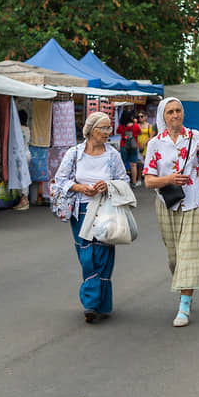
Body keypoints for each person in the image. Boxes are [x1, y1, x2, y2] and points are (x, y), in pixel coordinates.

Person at [142, 98, 199, 327]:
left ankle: (184, 305)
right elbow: (148, 181)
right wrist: (169, 179)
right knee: (175, 257)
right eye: (170, 112)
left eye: (178, 111)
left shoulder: (197, 138)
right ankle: (185, 291)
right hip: (166, 203)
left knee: (189, 253)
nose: (175, 115)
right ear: (163, 116)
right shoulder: (155, 143)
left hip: (194, 202)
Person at [53, 112, 129, 323]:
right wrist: (79, 187)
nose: (107, 132)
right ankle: (98, 301)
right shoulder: (74, 153)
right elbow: (60, 180)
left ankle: (92, 303)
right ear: (90, 129)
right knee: (86, 254)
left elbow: (124, 181)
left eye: (108, 128)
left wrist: (108, 186)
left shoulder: (113, 155)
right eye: (103, 128)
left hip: (105, 210)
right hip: (80, 210)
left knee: (103, 254)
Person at [117, 111, 142, 187]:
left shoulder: (121, 126)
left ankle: (123, 182)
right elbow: (139, 133)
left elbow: (117, 132)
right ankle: (134, 182)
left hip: (123, 145)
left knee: (123, 164)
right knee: (133, 165)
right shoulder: (135, 126)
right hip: (134, 145)